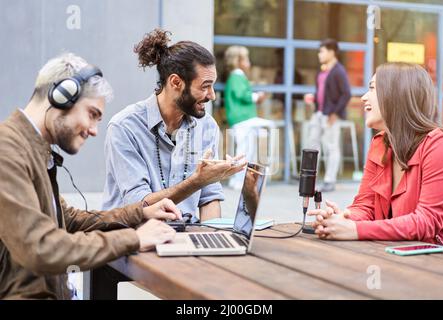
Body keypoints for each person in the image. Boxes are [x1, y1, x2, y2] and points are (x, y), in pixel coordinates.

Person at [0, 53, 181, 300]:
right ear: (62, 97)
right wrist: (134, 238)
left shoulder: (31, 149)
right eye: (92, 114)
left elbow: (68, 219)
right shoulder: (7, 151)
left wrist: (140, 212)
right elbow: (40, 248)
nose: (94, 130)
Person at [102, 29, 246, 222]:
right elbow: (138, 204)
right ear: (176, 82)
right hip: (134, 238)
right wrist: (197, 181)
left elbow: (209, 198)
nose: (212, 95)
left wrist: (211, 239)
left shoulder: (207, 127)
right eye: (205, 86)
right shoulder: (125, 128)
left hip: (186, 236)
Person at [308, 62, 443, 246]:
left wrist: (355, 230)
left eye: (373, 89)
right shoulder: (380, 144)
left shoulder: (440, 146)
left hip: (434, 264)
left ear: (397, 95)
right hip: (391, 256)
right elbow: (365, 206)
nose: (363, 98)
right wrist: (344, 218)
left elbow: (426, 223)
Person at [223, 45, 274, 190]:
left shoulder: (234, 76)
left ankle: (238, 180)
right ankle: (239, 180)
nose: (249, 63)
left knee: (245, 150)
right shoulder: (237, 75)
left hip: (242, 120)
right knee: (244, 151)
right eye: (246, 59)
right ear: (238, 61)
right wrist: (257, 96)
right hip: (243, 119)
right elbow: (242, 95)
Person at [304, 39, 351, 192]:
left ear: (331, 52)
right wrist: (313, 98)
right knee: (312, 145)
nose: (319, 54)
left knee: (331, 148)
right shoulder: (323, 70)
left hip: (331, 115)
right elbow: (322, 92)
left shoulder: (339, 71)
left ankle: (330, 181)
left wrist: (336, 113)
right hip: (319, 113)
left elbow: (346, 94)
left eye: (322, 51)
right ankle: (310, 178)